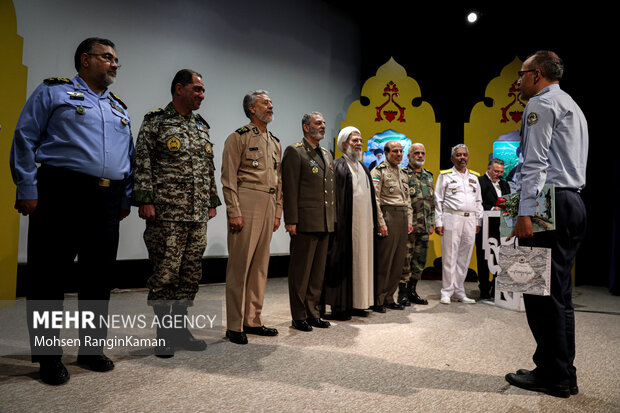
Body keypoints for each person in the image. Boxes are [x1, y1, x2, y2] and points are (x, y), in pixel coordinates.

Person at [10, 37, 133, 385]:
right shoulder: (53, 92)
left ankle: (91, 349)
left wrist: (123, 198)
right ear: (85, 60)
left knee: (99, 278)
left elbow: (128, 156)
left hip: (106, 200)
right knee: (49, 278)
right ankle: (48, 356)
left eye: (116, 60)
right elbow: (24, 138)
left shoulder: (119, 107)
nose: (114, 65)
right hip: (60, 192)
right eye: (107, 57)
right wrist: (28, 187)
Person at [505, 51, 588, 398]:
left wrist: (523, 212)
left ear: (536, 74)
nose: (518, 82)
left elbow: (535, 163)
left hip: (547, 203)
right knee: (559, 294)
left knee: (538, 292)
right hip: (571, 201)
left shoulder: (540, 105)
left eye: (522, 75)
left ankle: (553, 374)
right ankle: (560, 370)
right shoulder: (572, 104)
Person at [132, 69, 221, 357]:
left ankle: (179, 330)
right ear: (179, 89)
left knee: (190, 274)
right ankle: (163, 334)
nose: (202, 95)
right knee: (165, 273)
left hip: (196, 215)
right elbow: (143, 160)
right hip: (166, 213)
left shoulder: (201, 126)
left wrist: (211, 200)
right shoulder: (156, 121)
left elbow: (208, 167)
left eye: (203, 90)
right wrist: (145, 199)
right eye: (197, 89)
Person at [221, 90, 282, 344]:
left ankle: (253, 320)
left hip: (268, 203)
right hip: (247, 201)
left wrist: (278, 211)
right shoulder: (238, 137)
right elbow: (228, 178)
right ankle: (234, 325)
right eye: (265, 103)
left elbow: (279, 182)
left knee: (260, 268)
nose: (270, 106)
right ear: (251, 109)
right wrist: (234, 211)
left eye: (270, 102)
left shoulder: (275, 142)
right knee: (240, 266)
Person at [282, 112, 335, 331]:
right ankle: (299, 315)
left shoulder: (326, 153)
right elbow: (290, 188)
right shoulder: (295, 152)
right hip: (304, 221)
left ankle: (313, 312)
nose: (323, 126)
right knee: (300, 272)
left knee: (317, 273)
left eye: (323, 122)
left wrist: (332, 219)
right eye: (318, 123)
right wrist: (291, 220)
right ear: (306, 127)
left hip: (324, 221)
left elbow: (330, 190)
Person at [323, 126, 377, 320]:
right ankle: (341, 306)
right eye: (355, 141)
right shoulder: (338, 166)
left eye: (360, 141)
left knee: (363, 262)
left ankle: (358, 303)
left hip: (364, 226)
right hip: (345, 226)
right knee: (343, 262)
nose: (359, 144)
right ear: (344, 144)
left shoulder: (363, 168)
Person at [434, 144, 482, 304]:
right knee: (450, 256)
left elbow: (478, 201)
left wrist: (478, 220)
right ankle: (446, 291)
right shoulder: (445, 176)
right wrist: (438, 221)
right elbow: (438, 200)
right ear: (452, 158)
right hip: (451, 217)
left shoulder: (474, 177)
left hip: (470, 219)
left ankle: (459, 291)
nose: (462, 158)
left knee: (464, 256)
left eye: (465, 155)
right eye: (459, 155)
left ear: (468, 157)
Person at [370, 141, 413, 312]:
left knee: (398, 261)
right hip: (388, 216)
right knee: (385, 261)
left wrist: (409, 221)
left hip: (402, 217)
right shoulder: (378, 171)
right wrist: (381, 222)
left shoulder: (403, 173)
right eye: (394, 151)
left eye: (401, 151)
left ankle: (389, 297)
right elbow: (375, 199)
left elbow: (407, 200)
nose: (398, 154)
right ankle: (378, 298)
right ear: (386, 153)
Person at [398, 143, 435, 306]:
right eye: (416, 153)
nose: (420, 156)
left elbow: (432, 203)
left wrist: (432, 222)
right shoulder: (403, 174)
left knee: (419, 261)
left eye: (422, 153)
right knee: (405, 260)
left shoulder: (428, 176)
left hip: (425, 227)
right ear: (409, 155)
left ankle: (413, 291)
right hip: (409, 226)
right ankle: (402, 293)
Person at [475, 158, 510, 299]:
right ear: (489, 169)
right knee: (483, 257)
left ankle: (497, 289)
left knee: (500, 257)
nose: (498, 174)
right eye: (496, 171)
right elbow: (476, 203)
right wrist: (492, 208)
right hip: (484, 225)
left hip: (501, 226)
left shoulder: (505, 184)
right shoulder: (480, 181)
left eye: (501, 172)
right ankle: (484, 288)